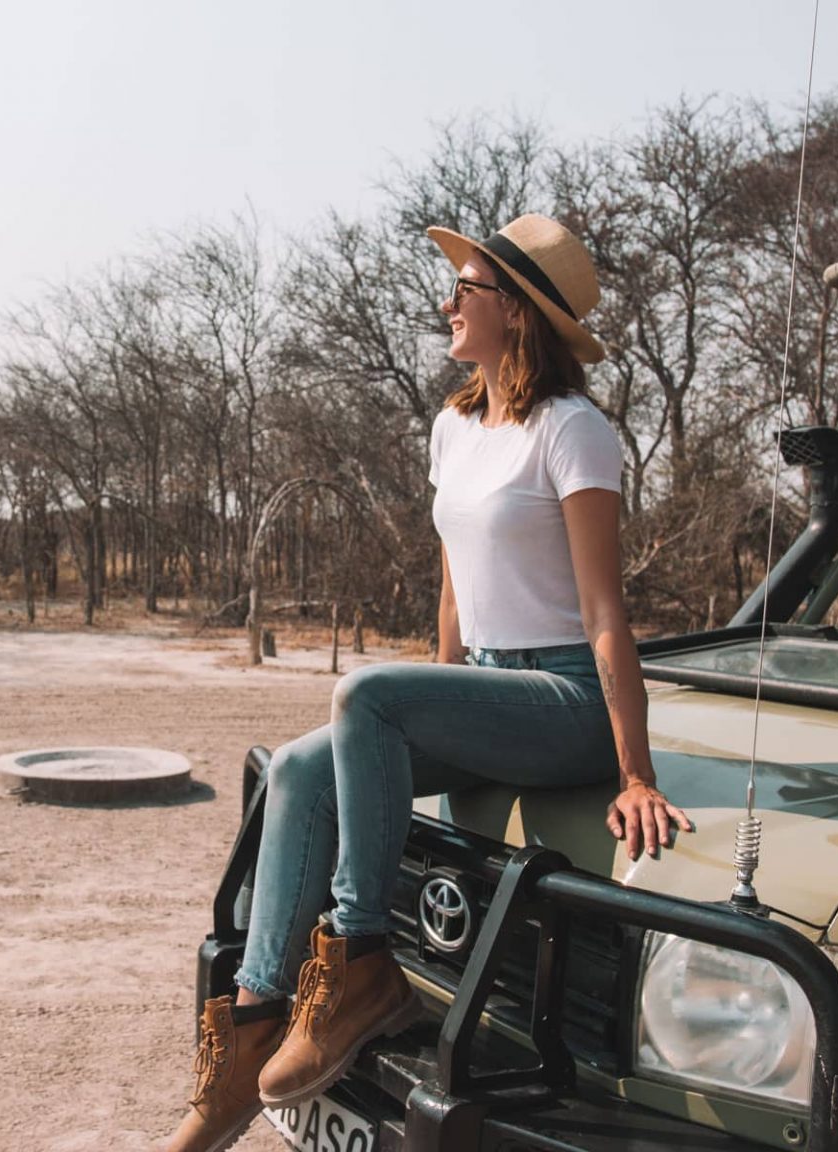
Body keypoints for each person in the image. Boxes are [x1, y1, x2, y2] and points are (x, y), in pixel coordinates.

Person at [163, 213, 692, 1152]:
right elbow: (454, 586)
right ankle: (249, 1034)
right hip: (490, 688)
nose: (447, 302)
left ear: (518, 312)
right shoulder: (454, 427)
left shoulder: (574, 432)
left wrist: (635, 770)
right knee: (294, 768)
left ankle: (362, 964)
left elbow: (607, 615)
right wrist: (440, 705)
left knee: (367, 693)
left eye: (468, 287)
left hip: (565, 700)